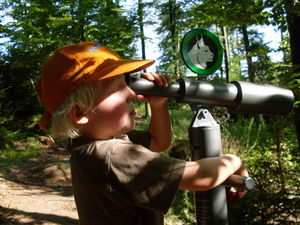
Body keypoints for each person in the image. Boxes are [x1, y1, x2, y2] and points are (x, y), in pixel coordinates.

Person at [35, 41, 248, 225]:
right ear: (80, 112)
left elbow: (159, 141)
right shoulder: (112, 155)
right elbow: (201, 176)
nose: (131, 92)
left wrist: (158, 104)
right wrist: (234, 161)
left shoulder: (93, 145)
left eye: (127, 83)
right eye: (118, 88)